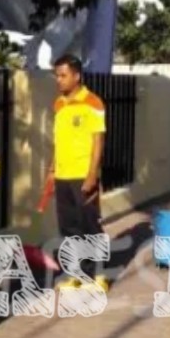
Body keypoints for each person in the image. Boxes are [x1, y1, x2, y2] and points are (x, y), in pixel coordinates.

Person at [49, 54, 110, 292]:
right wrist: (52, 168)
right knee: (69, 228)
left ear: (76, 76)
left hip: (84, 175)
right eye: (57, 75)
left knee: (90, 226)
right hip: (63, 176)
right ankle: (77, 274)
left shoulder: (93, 103)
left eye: (63, 75)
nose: (59, 80)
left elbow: (98, 142)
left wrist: (92, 175)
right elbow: (59, 141)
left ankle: (101, 276)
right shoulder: (59, 104)